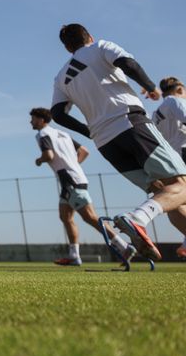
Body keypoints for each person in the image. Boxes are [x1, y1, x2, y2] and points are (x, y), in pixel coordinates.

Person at [50, 24, 186, 260]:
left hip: (106, 143)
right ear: (89, 36)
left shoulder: (62, 77)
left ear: (67, 47)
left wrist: (88, 130)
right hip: (130, 124)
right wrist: (151, 87)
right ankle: (137, 219)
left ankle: (139, 222)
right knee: (182, 185)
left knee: (163, 193)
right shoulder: (101, 46)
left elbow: (58, 113)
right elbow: (128, 63)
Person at [30, 107, 133, 266]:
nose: (31, 121)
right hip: (71, 179)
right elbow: (84, 151)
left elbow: (48, 155)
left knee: (90, 217)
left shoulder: (43, 134)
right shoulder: (62, 133)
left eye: (34, 118)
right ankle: (74, 256)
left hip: (70, 180)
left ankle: (124, 246)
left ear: (42, 120)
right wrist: (74, 165)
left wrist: (39, 160)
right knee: (65, 216)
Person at [153, 77, 186, 258]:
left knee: (175, 203)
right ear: (180, 89)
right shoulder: (176, 101)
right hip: (183, 151)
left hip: (170, 159)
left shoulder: (156, 112)